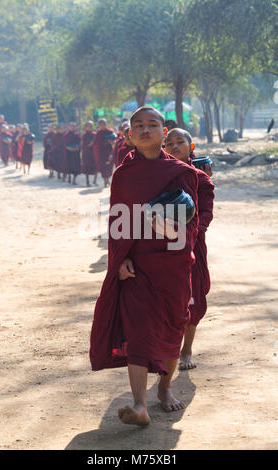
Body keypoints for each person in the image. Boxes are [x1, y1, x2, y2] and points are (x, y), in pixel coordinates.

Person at [90, 106, 199, 426]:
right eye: (139, 125)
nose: (146, 129)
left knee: (172, 326)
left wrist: (168, 228)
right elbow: (117, 221)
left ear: (165, 133)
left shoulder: (183, 173)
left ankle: (164, 388)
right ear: (129, 134)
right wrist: (119, 259)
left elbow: (190, 226)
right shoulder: (124, 174)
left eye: (153, 124)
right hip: (136, 265)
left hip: (172, 265)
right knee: (137, 331)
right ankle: (140, 405)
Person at [164, 128, 214, 370]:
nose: (174, 146)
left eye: (179, 141)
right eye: (169, 143)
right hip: (162, 245)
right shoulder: (158, 175)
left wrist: (190, 234)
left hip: (192, 246)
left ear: (190, 146)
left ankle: (186, 351)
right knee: (166, 299)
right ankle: (167, 349)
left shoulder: (200, 178)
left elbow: (206, 214)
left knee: (192, 300)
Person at [93, 119, 115, 187]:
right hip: (101, 153)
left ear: (106, 124)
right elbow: (95, 143)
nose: (102, 126)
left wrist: (110, 142)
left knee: (109, 166)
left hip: (108, 152)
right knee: (103, 167)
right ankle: (105, 181)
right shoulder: (98, 133)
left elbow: (114, 142)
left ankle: (107, 179)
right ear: (99, 126)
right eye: (101, 125)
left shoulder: (110, 131)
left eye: (103, 125)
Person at [82, 121, 97, 187]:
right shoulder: (84, 135)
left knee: (96, 166)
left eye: (91, 126)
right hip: (87, 154)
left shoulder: (95, 134)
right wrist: (92, 143)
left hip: (94, 153)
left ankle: (94, 180)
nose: (90, 127)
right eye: (89, 126)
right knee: (87, 167)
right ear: (86, 127)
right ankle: (87, 181)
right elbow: (86, 145)